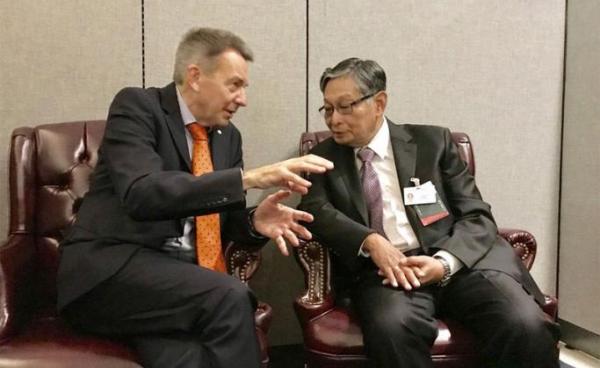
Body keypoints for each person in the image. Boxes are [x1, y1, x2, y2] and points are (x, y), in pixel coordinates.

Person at [56, 27, 333, 368]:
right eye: (235, 85)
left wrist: (254, 223)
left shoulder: (228, 138)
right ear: (196, 76)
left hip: (176, 288)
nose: (243, 98)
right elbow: (142, 193)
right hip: (110, 275)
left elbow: (224, 219)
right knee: (230, 297)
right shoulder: (138, 107)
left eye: (244, 87)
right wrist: (248, 179)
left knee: (187, 358)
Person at [298, 57, 560, 368]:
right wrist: (370, 241)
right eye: (327, 109)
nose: (334, 119)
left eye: (345, 106)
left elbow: (477, 217)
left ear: (379, 103)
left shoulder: (432, 143)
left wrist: (443, 263)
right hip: (388, 275)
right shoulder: (321, 158)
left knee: (524, 324)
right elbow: (314, 209)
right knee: (392, 330)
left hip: (462, 266)